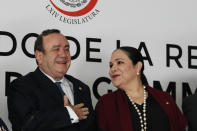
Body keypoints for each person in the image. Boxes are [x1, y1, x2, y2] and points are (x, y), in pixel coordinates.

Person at [7, 29, 95, 131]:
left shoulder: (82, 88)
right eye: (56, 49)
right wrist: (69, 114)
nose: (63, 54)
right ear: (39, 56)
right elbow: (25, 125)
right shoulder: (21, 87)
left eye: (66, 49)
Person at [95, 46, 187, 131]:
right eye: (111, 65)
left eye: (119, 62)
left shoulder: (165, 99)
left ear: (138, 67)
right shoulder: (106, 103)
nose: (113, 69)